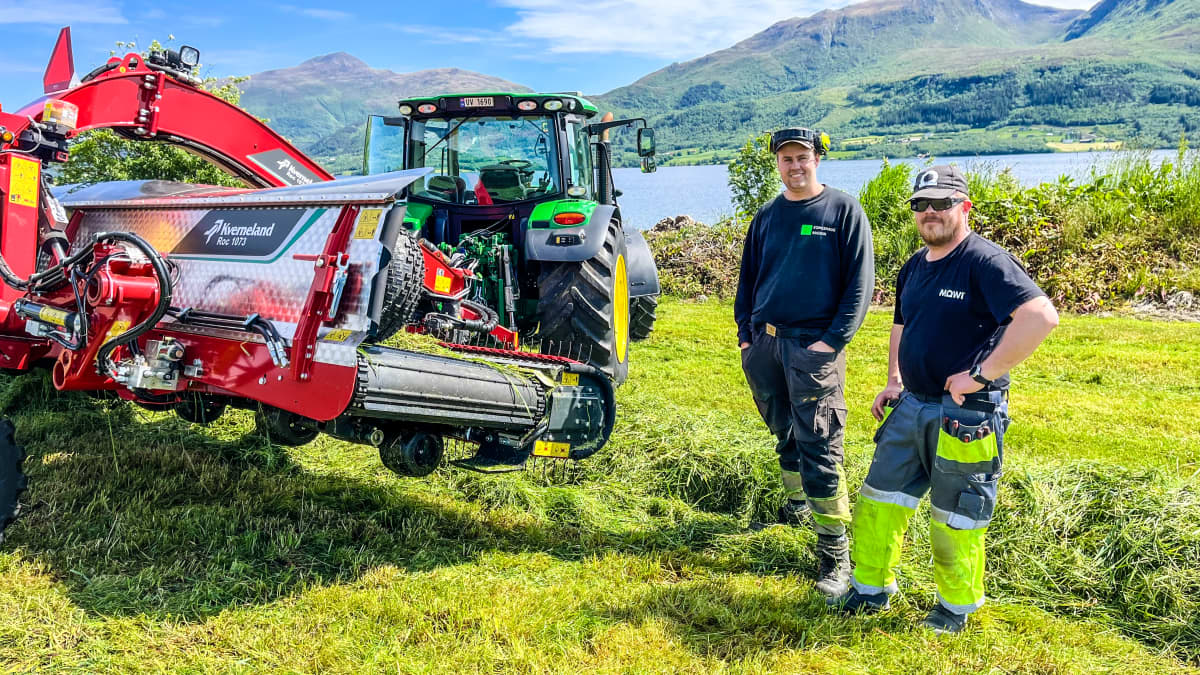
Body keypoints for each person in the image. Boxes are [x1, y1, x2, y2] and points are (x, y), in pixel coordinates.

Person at [830, 165, 1059, 633]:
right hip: (911, 403)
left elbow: (1040, 317)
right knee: (879, 499)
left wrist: (980, 375)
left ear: (964, 207)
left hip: (966, 415)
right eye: (921, 204)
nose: (930, 212)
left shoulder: (986, 262)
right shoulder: (914, 265)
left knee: (957, 515)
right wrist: (894, 379)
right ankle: (870, 589)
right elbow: (901, 325)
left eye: (941, 203)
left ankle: (955, 607)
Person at [734, 127, 875, 598]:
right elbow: (747, 280)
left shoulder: (842, 211)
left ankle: (835, 554)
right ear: (777, 163)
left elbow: (860, 287)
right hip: (766, 347)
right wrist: (745, 339)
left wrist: (831, 342)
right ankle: (795, 507)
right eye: (787, 158)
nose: (795, 166)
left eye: (803, 157)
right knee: (785, 432)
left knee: (820, 443)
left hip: (813, 349)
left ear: (818, 159)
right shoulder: (768, 217)